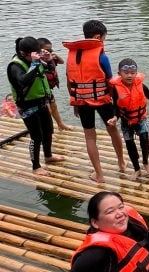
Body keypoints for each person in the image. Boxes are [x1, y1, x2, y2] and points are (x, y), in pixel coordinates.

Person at [63, 20, 125, 183]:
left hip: (82, 102)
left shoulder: (71, 55)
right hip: (103, 100)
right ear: (98, 37)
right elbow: (110, 81)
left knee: (89, 137)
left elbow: (70, 82)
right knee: (113, 131)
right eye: (104, 38)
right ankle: (121, 163)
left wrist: (76, 101)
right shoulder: (102, 56)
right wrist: (115, 103)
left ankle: (99, 174)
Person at [6, 36, 65, 176]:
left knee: (48, 130)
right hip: (27, 106)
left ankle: (48, 156)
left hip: (41, 101)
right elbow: (22, 81)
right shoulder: (15, 66)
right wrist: (34, 63)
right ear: (23, 53)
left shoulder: (36, 60)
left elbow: (50, 70)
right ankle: (36, 166)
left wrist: (48, 59)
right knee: (36, 136)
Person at [108, 59, 149, 179]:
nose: (129, 75)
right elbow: (116, 107)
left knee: (145, 141)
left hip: (141, 119)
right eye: (126, 72)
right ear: (119, 74)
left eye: (133, 72)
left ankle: (146, 162)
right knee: (130, 145)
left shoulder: (141, 86)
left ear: (136, 73)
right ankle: (137, 169)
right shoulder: (116, 89)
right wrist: (115, 117)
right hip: (126, 121)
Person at [37, 37, 73, 131]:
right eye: (46, 50)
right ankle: (46, 128)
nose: (48, 52)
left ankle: (60, 124)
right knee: (47, 110)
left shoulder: (51, 58)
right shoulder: (37, 62)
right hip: (41, 89)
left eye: (50, 50)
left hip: (48, 89)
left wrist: (55, 55)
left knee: (54, 106)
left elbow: (62, 62)